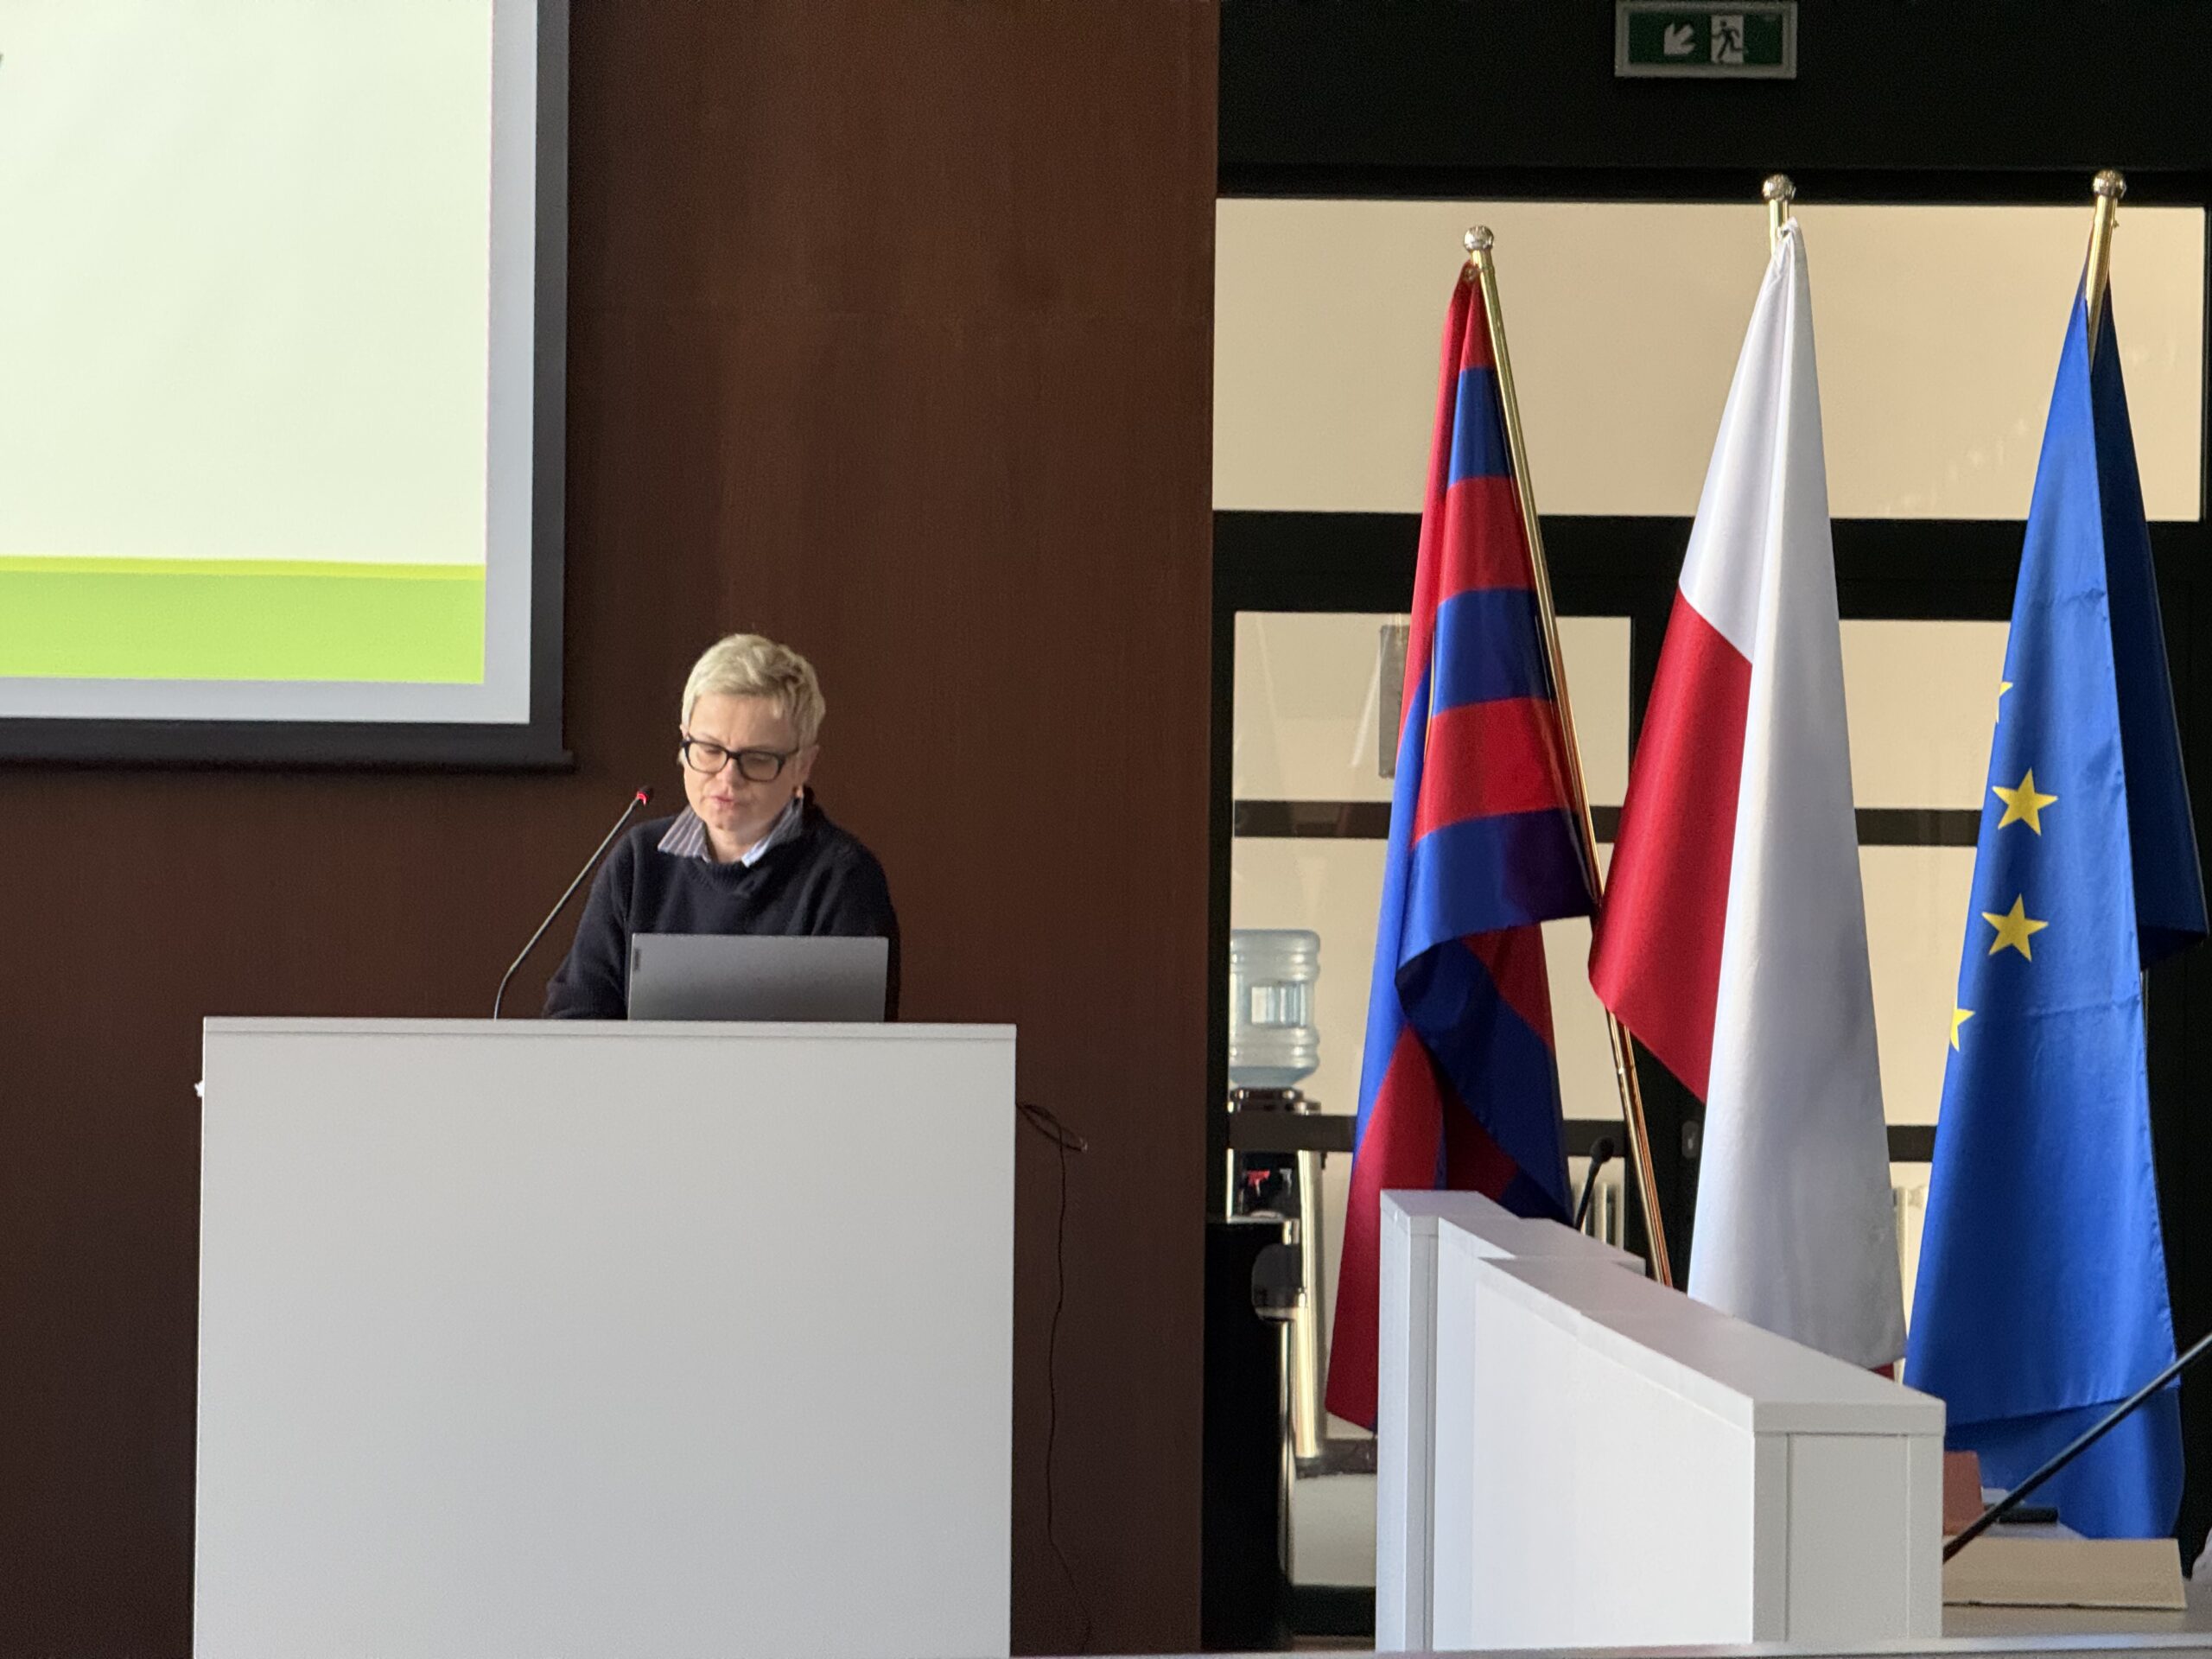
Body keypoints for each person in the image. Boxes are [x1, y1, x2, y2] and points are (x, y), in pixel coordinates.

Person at [543, 632, 899, 1018]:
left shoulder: (843, 878)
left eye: (757, 758)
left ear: (802, 766)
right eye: (710, 750)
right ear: (684, 743)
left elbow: (854, 1045)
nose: (728, 777)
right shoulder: (639, 861)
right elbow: (574, 1019)